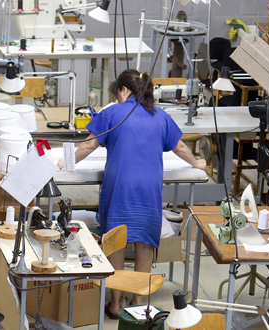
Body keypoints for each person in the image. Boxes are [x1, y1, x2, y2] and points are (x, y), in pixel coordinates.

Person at [57, 69, 205, 318]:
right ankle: (138, 302)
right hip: (148, 188)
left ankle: (115, 303)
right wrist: (196, 163)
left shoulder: (113, 113)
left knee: (115, 240)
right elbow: (180, 146)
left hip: (120, 186)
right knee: (144, 244)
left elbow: (88, 145)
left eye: (118, 93)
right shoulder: (160, 116)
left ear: (124, 90)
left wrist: (64, 163)